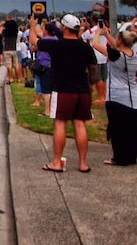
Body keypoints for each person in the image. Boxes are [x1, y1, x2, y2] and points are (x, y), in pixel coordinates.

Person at [31, 13, 96, 173]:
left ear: (65, 28)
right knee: (80, 125)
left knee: (60, 124)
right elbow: (92, 68)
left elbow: (34, 41)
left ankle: (56, 162)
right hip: (82, 90)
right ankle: (83, 163)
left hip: (62, 89)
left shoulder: (57, 46)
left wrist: (33, 25)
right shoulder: (85, 47)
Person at [93, 26, 137, 166]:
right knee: (131, 129)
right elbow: (117, 46)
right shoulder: (134, 55)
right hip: (133, 97)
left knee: (117, 129)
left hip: (116, 97)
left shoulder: (115, 55)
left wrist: (98, 34)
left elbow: (95, 45)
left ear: (119, 40)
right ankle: (131, 156)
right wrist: (107, 35)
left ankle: (119, 158)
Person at [0, 14, 20, 83]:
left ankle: (11, 78)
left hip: (7, 49)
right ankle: (19, 78)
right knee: (16, 65)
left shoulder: (5, 32)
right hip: (14, 48)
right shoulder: (16, 33)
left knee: (9, 66)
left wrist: (1, 25)